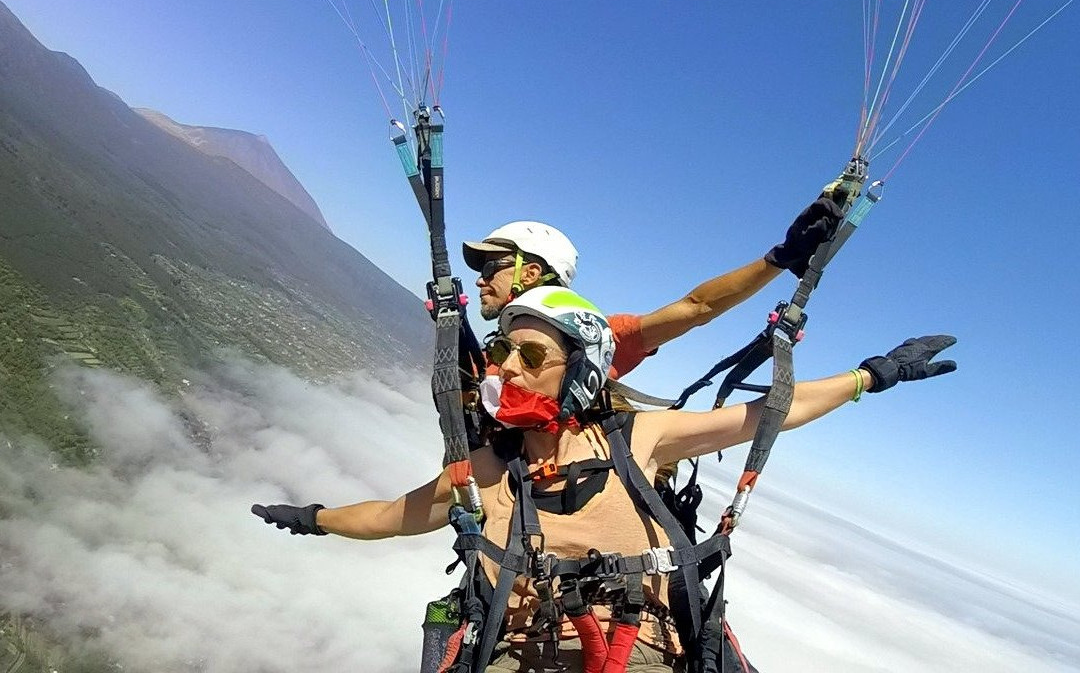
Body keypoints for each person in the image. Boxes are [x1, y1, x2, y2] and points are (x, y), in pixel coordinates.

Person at [252, 287, 957, 673]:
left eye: (530, 353)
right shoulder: (490, 471)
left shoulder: (640, 440)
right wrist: (315, 518)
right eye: (501, 351)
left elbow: (770, 412)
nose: (507, 368)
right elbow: (389, 515)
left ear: (581, 370)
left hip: (643, 651)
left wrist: (875, 375)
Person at [461, 197, 843, 390]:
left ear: (529, 273)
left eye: (491, 268)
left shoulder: (594, 340)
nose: (480, 279)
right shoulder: (498, 353)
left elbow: (697, 308)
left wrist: (779, 258)